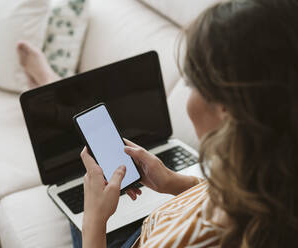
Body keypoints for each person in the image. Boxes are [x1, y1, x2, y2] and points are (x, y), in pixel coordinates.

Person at [17, 0, 298, 247]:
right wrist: (173, 182)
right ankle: (55, 91)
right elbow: (227, 202)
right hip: (160, 219)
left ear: (227, 110)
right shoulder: (266, 174)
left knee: (82, 181)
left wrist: (94, 221)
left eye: (192, 84)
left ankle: (54, 92)